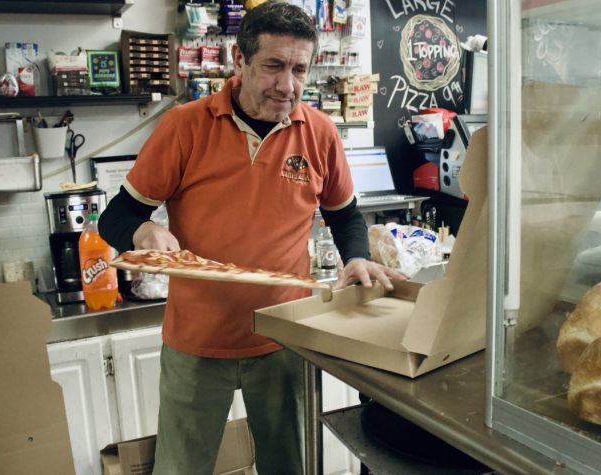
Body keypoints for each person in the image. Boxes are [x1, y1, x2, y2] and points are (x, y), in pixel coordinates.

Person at [99, 2, 407, 473]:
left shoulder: (319, 132)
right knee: (180, 468)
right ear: (239, 61)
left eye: (300, 69)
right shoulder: (186, 126)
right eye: (274, 66)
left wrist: (357, 258)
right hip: (196, 343)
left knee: (290, 465)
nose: (287, 85)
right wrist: (144, 228)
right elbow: (117, 215)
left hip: (285, 338)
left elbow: (344, 217)